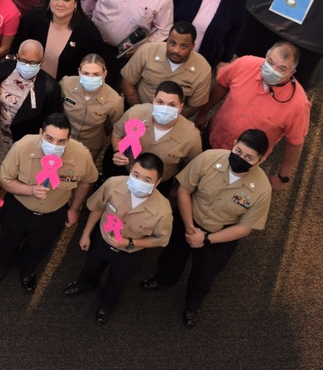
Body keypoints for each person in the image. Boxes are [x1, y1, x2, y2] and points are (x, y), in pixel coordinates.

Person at [141, 129, 272, 328]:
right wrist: (189, 226)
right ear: (234, 143)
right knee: (172, 255)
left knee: (205, 274)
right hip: (189, 219)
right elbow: (184, 191)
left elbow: (245, 227)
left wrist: (207, 239)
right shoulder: (209, 159)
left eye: (248, 157)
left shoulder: (262, 189)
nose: (240, 158)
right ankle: (164, 278)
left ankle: (192, 306)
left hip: (220, 235)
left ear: (260, 161)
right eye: (238, 151)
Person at [0, 113, 98, 294]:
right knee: (8, 241)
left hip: (53, 213)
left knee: (39, 247)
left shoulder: (81, 155)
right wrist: (30, 190)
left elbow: (86, 181)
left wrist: (74, 208)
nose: (54, 146)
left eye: (61, 141)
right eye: (49, 138)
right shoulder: (22, 147)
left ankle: (27, 271)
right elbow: (5, 180)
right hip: (19, 209)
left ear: (69, 139)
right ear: (40, 133)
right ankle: (1, 266)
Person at [63, 152, 172, 325]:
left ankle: (106, 303)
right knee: (91, 267)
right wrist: (86, 233)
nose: (139, 182)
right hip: (102, 240)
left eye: (147, 179)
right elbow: (98, 208)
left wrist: (129, 243)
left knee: (117, 281)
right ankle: (85, 284)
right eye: (136, 175)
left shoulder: (163, 211)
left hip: (130, 253)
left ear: (157, 183)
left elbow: (159, 240)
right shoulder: (113, 184)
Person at [194, 42, 310, 191]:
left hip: (245, 161)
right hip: (213, 136)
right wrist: (202, 114)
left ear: (291, 72)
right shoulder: (244, 63)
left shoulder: (299, 105)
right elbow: (221, 86)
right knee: (194, 172)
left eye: (281, 69)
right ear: (266, 57)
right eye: (270, 62)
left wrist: (283, 176)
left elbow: (295, 143)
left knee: (219, 192)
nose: (272, 70)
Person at [106, 81, 202, 194]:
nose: (164, 108)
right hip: (125, 171)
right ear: (153, 100)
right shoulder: (135, 114)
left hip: (158, 185)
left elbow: (190, 166)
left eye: (171, 105)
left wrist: (176, 189)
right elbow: (117, 133)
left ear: (180, 107)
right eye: (160, 102)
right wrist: (118, 151)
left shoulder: (191, 138)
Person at [0, 39, 63, 166]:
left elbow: (49, 122)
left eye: (33, 63)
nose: (27, 66)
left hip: (21, 142)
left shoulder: (50, 88)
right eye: (23, 61)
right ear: (16, 57)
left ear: (41, 62)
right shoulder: (3, 69)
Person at [12, 0, 105, 81]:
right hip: (27, 81)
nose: (60, 4)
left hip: (65, 89)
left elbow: (97, 64)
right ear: (49, 0)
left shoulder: (88, 32)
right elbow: (16, 47)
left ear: (75, 4)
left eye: (66, 0)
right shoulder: (33, 19)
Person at [120, 21, 212, 116]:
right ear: (167, 40)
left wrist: (169, 122)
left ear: (192, 46)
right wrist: (141, 113)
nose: (176, 50)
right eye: (172, 43)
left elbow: (193, 106)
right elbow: (127, 83)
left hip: (172, 121)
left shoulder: (203, 70)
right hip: (138, 110)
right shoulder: (147, 51)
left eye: (183, 46)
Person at [60, 54, 124, 161]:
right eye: (86, 73)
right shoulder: (66, 84)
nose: (90, 78)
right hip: (61, 139)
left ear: (104, 74)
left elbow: (114, 126)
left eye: (96, 74)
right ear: (79, 72)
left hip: (90, 146)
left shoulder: (114, 100)